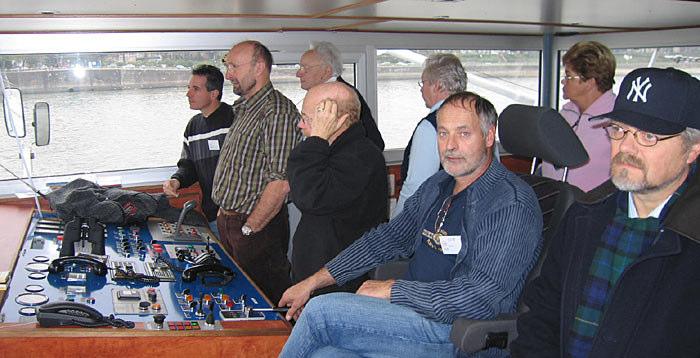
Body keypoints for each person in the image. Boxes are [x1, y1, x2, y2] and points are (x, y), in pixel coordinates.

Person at [279, 91, 543, 357]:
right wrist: (313, 282)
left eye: (463, 134)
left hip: (454, 331)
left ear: (488, 136)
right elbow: (386, 239)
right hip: (411, 317)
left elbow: (478, 299)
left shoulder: (510, 203)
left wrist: (394, 290)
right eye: (442, 133)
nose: (450, 145)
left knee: (319, 313)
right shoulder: (438, 186)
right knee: (324, 353)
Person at [511, 67, 700, 357]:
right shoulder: (584, 216)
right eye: (618, 129)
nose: (625, 147)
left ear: (692, 149)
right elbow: (542, 315)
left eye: (648, 136)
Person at [212, 40, 302, 303]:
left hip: (256, 228)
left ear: (259, 67)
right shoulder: (246, 108)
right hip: (231, 222)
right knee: (242, 300)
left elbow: (281, 182)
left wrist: (249, 229)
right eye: (227, 65)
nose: (228, 74)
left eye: (234, 66)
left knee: (269, 303)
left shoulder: (278, 112)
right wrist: (223, 214)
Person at [287, 82, 388, 294]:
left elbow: (308, 196)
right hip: (316, 277)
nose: (300, 125)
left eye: (307, 119)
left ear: (338, 120)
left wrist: (316, 139)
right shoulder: (332, 150)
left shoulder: (361, 157)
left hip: (339, 282)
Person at [393, 53, 467, 217]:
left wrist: (395, 226)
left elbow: (417, 187)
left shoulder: (431, 127)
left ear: (438, 86)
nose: (421, 88)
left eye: (424, 82)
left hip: (439, 221)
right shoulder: (480, 118)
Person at [163, 64, 232, 238]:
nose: (188, 94)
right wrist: (176, 180)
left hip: (236, 215)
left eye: (195, 89)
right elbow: (189, 165)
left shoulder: (234, 119)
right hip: (211, 214)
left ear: (214, 93)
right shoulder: (193, 126)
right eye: (188, 88)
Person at [541, 41, 617, 192]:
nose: (563, 81)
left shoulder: (615, 120)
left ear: (589, 81)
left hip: (590, 206)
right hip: (552, 199)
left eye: (568, 76)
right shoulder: (565, 114)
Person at [296, 41, 385, 150]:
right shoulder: (327, 95)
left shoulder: (342, 97)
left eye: (305, 68)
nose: (298, 74)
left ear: (326, 71)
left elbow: (373, 142)